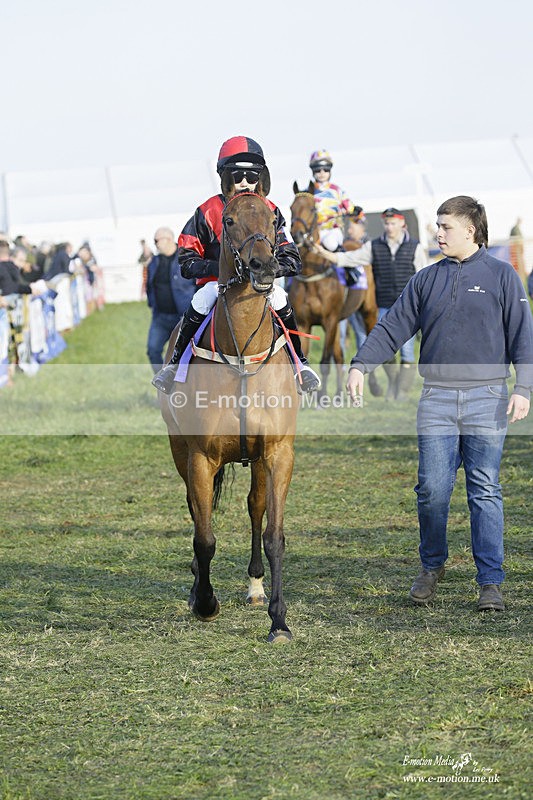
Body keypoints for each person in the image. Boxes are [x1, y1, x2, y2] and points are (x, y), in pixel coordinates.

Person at [346, 195, 533, 612]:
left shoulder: (504, 276)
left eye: (446, 226)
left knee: (484, 489)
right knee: (432, 489)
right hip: (437, 398)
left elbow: (524, 335)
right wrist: (361, 365)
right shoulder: (425, 280)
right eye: (438, 225)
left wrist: (524, 388)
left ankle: (490, 582)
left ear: (471, 230)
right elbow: (392, 327)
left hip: (489, 398)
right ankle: (432, 566)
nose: (438, 232)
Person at [152, 136, 321, 395]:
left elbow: (292, 258)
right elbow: (186, 260)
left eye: (252, 176)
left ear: (261, 179)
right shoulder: (208, 211)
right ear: (224, 178)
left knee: (282, 299)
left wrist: (270, 269)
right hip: (216, 287)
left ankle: (301, 365)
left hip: (260, 286)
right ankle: (174, 365)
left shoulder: (271, 211)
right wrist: (218, 271)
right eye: (237, 175)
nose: (245, 182)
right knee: (200, 301)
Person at [315, 207, 427, 401]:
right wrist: (324, 254)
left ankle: (401, 392)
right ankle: (393, 385)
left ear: (402, 224)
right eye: (386, 223)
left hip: (409, 307)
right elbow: (349, 258)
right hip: (383, 305)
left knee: (407, 351)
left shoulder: (415, 247)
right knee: (387, 348)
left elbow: (423, 276)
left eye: (393, 223)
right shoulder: (374, 246)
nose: (389, 227)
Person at [145, 226, 197, 372]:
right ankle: (162, 380)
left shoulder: (186, 258)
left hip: (182, 318)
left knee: (185, 355)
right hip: (160, 317)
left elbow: (197, 284)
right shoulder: (154, 262)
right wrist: (152, 304)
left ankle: (183, 386)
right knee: (153, 350)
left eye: (156, 240)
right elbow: (150, 285)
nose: (155, 244)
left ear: (168, 239)